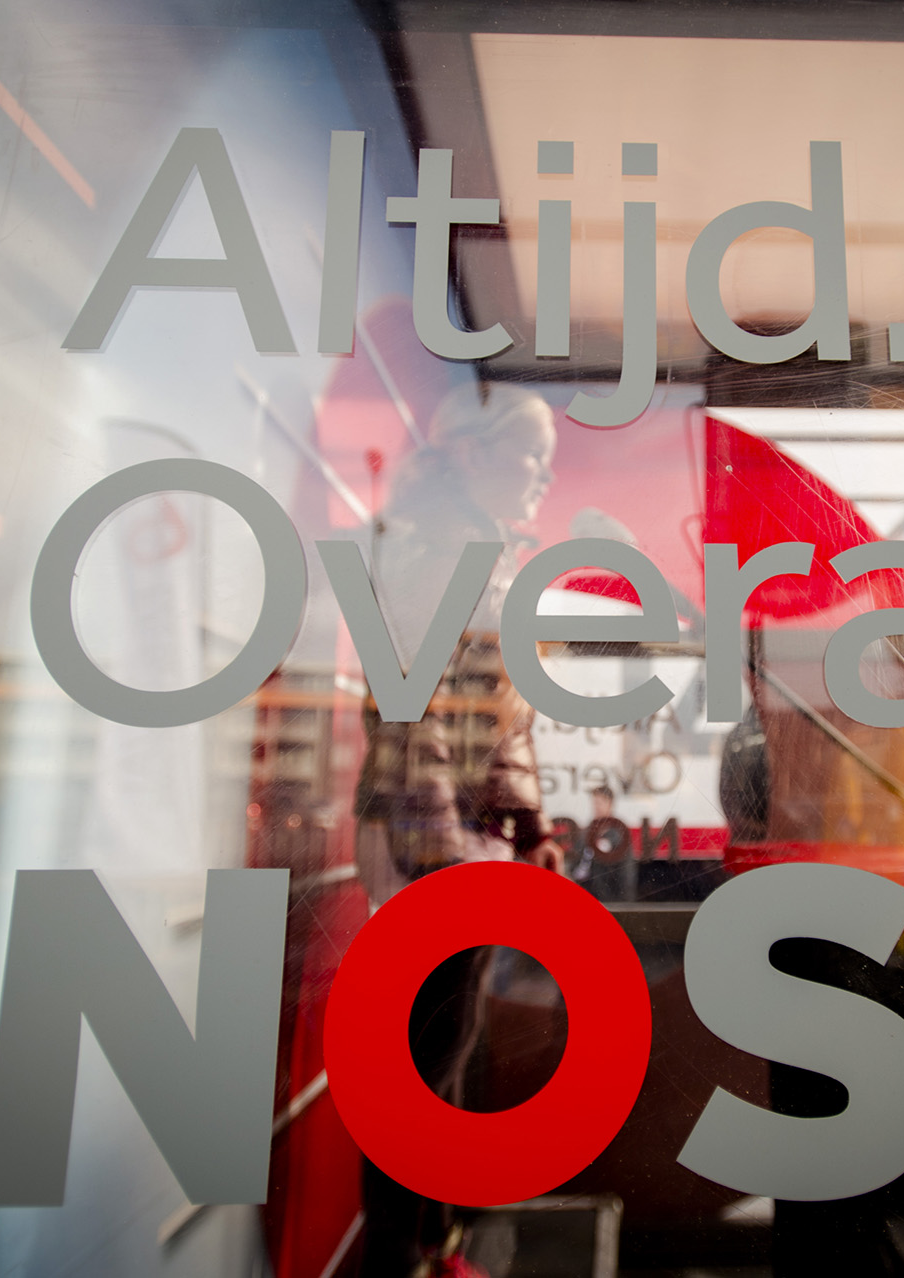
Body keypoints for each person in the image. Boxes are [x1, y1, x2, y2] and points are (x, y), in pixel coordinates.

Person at [351, 383, 567, 1278]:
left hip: (463, 840)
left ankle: (433, 1245)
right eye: (530, 454)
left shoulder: (481, 556)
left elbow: (499, 719)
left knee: (446, 1047)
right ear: (473, 452)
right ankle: (400, 1258)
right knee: (426, 1061)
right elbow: (414, 715)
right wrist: (443, 855)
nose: (543, 475)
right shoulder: (435, 556)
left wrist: (530, 821)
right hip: (429, 842)